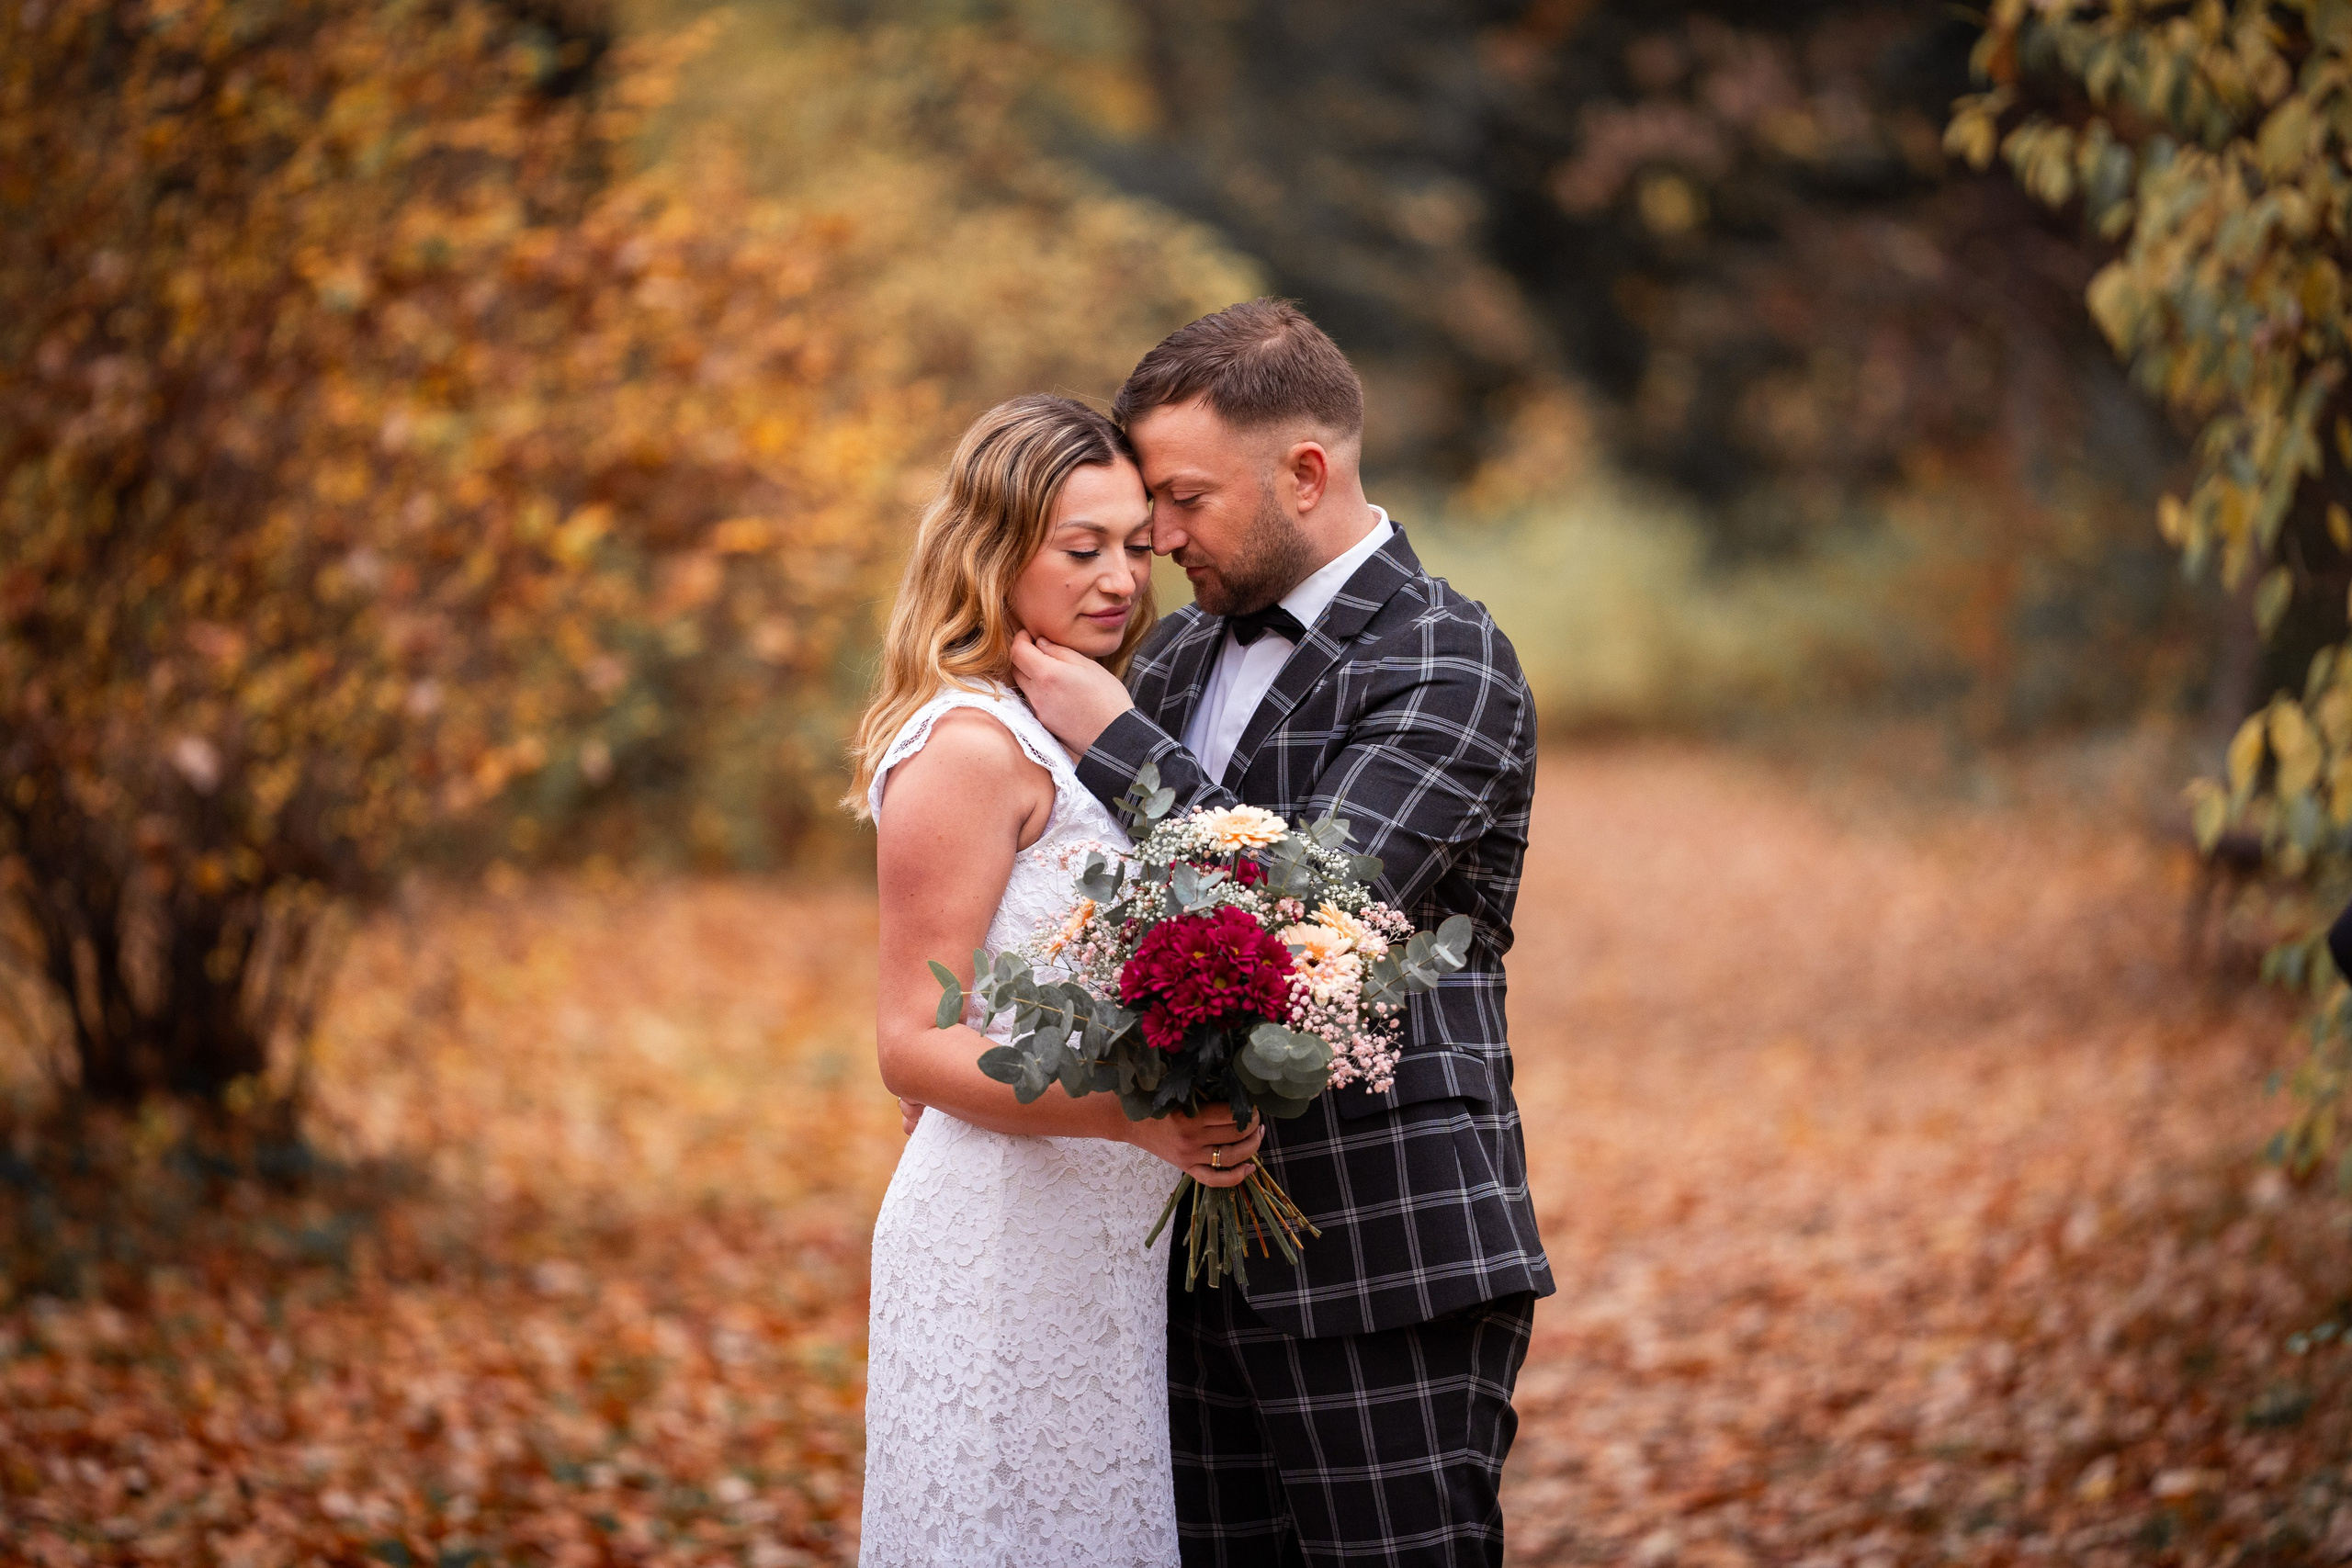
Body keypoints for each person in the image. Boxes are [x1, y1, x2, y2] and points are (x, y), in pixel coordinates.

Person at [1011, 299, 1554, 1566]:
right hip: (1176, 1259)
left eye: (1186, 498)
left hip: (1387, 1256)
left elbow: (1305, 912)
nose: (1158, 535)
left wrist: (1112, 735)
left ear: (1305, 471)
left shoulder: (1448, 659)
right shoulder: (1175, 654)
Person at [848, 394, 1263, 1566]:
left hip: (1097, 1255)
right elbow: (910, 1044)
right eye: (1080, 549)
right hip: (998, 1237)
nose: (1122, 578)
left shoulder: (1077, 725)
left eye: (1137, 545)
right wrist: (1148, 1117)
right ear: (992, 551)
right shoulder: (969, 747)